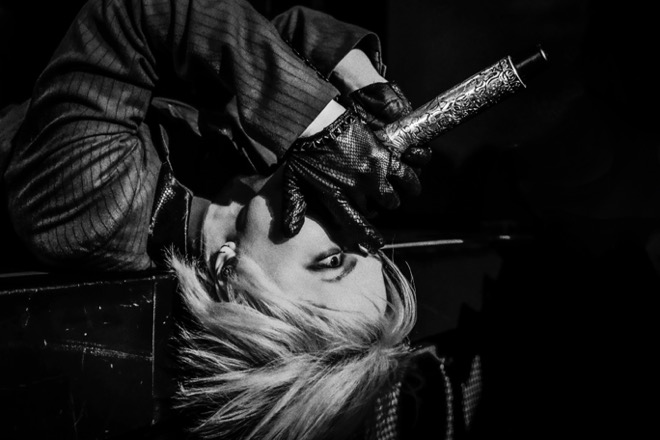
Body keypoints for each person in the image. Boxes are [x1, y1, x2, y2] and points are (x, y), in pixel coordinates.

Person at [0, 0, 430, 274]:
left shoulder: (92, 211)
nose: (351, 226)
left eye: (333, 260)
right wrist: (360, 83)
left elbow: (144, 13)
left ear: (228, 270)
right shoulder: (253, 176)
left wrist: (318, 121)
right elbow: (274, 35)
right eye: (367, 243)